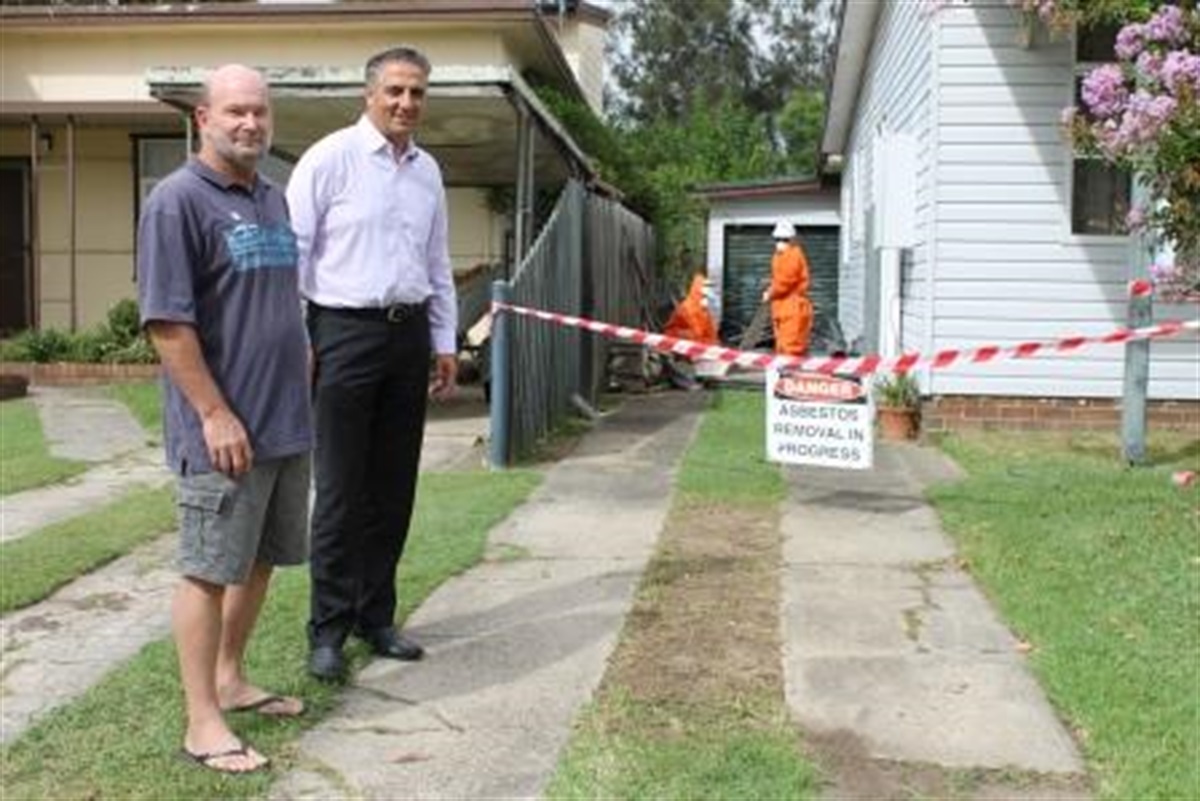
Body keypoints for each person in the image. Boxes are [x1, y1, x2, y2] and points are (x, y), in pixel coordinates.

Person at [137, 64, 312, 775]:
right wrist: (213, 413)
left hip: (284, 419)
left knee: (261, 556)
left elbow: (279, 300)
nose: (251, 124)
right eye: (236, 111)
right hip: (224, 428)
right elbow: (167, 322)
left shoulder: (271, 197)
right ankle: (201, 721)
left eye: (260, 112)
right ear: (203, 118)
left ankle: (231, 677)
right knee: (208, 569)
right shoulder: (177, 202)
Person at [286, 46, 458, 682]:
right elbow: (296, 256)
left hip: (407, 336)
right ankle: (327, 630)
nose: (406, 103)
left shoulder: (427, 171)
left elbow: (437, 262)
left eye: (416, 93)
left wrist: (443, 343)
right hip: (341, 333)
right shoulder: (329, 160)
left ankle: (374, 615)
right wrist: (298, 338)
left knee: (392, 488)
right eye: (394, 91)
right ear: (369, 94)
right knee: (338, 489)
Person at [763, 220, 814, 356]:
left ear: (791, 240)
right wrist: (771, 290)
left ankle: (791, 373)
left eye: (784, 239)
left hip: (793, 307)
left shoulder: (793, 256)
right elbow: (779, 279)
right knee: (782, 346)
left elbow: (785, 281)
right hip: (782, 307)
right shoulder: (779, 256)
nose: (780, 242)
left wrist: (770, 292)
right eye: (778, 239)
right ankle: (784, 373)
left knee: (792, 347)